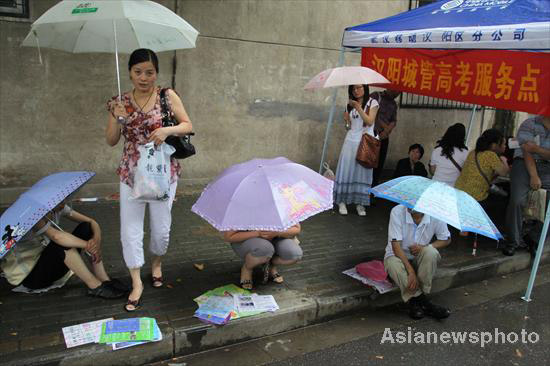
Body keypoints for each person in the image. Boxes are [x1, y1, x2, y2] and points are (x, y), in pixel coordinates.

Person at [105, 48, 193, 311]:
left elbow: (187, 124)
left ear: (156, 72)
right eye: (138, 72)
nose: (144, 77)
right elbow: (111, 141)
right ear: (130, 73)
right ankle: (136, 281)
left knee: (160, 229)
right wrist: (117, 118)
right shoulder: (118, 101)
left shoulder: (167, 95)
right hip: (131, 173)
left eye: (149, 72)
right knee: (129, 230)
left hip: (162, 172)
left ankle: (156, 262)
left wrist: (167, 130)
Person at [0, 202, 126, 298]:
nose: (63, 203)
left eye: (64, 199)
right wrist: (88, 245)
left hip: (49, 266)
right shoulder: (33, 215)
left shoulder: (59, 206)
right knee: (61, 243)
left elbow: (91, 222)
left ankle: (104, 279)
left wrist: (96, 240)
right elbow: (57, 236)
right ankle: (95, 286)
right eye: (60, 201)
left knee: (86, 228)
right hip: (32, 277)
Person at [384, 205, 451, 320]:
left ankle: (416, 299)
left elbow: (446, 239)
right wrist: (411, 271)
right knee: (393, 265)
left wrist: (427, 246)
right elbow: (396, 246)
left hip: (418, 256)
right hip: (397, 255)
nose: (411, 205)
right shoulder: (397, 211)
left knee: (431, 252)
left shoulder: (436, 213)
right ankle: (423, 302)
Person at [504, 115, 550, 256]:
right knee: (517, 201)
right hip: (523, 164)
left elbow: (532, 148)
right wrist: (534, 175)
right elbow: (526, 150)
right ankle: (512, 241)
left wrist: (536, 148)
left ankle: (533, 238)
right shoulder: (529, 123)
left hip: (547, 167)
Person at [334, 84, 379, 216]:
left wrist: (358, 107)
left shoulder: (372, 102)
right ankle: (342, 201)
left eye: (359, 88)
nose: (356, 91)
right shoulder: (348, 105)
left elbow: (370, 121)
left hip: (365, 142)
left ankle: (360, 204)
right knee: (346, 170)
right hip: (350, 141)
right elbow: (349, 127)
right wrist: (346, 122)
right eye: (353, 89)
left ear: (365, 88)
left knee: (363, 172)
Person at [454, 129, 510, 232]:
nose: (505, 146)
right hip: (475, 196)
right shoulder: (491, 155)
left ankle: (466, 229)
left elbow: (482, 175)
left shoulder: (473, 152)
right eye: (503, 144)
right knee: (503, 201)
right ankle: (490, 230)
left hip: (460, 192)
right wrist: (505, 161)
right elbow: (504, 172)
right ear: (494, 145)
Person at [223, 225, 303, 290]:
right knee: (265, 249)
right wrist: (257, 233)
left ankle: (270, 264)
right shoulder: (241, 208)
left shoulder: (280, 205)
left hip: (277, 238)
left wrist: (277, 232)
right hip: (248, 239)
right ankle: (247, 268)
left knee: (295, 255)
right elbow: (228, 236)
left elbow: (296, 228)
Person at [370, 89, 401, 187]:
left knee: (379, 166)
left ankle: (373, 190)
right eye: (396, 91)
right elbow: (372, 115)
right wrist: (385, 129)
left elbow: (393, 120)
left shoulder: (394, 104)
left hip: (384, 138)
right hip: (372, 135)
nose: (397, 94)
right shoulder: (375, 96)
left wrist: (387, 131)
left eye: (399, 93)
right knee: (368, 164)